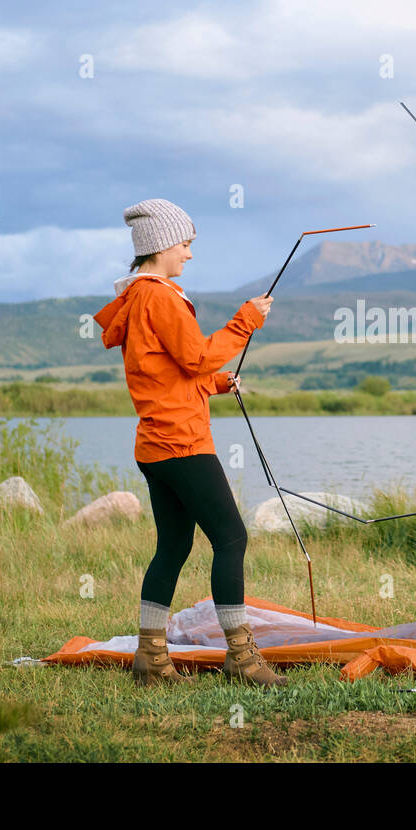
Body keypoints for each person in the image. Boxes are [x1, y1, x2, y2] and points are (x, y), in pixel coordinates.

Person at [93, 198, 288, 687]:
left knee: (174, 546)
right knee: (231, 538)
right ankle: (241, 659)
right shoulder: (160, 296)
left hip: (155, 447)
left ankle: (151, 658)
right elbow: (198, 355)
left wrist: (216, 384)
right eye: (186, 243)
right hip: (182, 444)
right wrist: (246, 320)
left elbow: (167, 373)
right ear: (160, 246)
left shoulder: (139, 298)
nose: (189, 254)